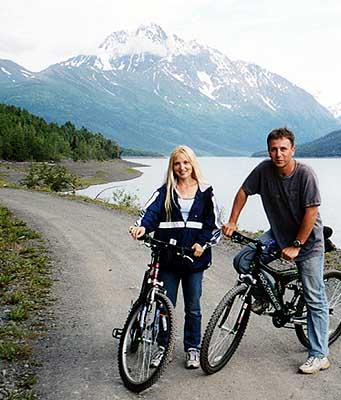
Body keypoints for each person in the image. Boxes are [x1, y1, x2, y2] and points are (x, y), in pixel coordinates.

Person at [222, 127, 330, 374]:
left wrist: (297, 245)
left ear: (293, 150)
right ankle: (264, 294)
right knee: (244, 259)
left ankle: (319, 354)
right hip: (278, 234)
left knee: (314, 298)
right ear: (269, 150)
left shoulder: (305, 175)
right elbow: (243, 191)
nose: (278, 154)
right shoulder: (263, 170)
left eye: (283, 149)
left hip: (308, 241)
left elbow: (311, 212)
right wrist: (232, 221)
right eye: (273, 149)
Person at [129, 145, 221, 369]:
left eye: (186, 163)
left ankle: (192, 348)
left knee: (193, 308)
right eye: (177, 163)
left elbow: (214, 225)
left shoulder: (206, 192)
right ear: (173, 166)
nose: (182, 167)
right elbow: (149, 214)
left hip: (194, 260)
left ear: (193, 164)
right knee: (164, 307)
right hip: (168, 258)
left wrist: (203, 243)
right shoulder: (165, 191)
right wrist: (141, 227)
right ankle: (164, 347)